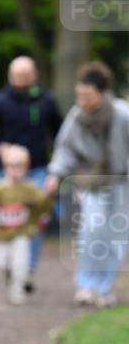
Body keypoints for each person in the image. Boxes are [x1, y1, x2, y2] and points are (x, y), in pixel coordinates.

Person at [45, 61, 129, 308]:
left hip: (121, 183)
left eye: (88, 96)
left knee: (115, 236)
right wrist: (55, 173)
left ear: (102, 93)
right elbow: (65, 149)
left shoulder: (122, 114)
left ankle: (104, 287)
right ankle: (86, 285)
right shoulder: (76, 117)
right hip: (91, 184)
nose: (82, 100)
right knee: (91, 232)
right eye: (79, 95)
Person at [0, 56, 63, 289]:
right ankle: (8, 262)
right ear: (10, 76)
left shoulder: (46, 101)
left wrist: (58, 164)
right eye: (17, 76)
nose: (21, 81)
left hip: (37, 170)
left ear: (33, 75)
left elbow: (59, 132)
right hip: (4, 171)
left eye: (25, 76)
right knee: (7, 217)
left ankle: (27, 268)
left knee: (33, 220)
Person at [0, 145, 54, 305]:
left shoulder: (29, 188)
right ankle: (10, 273)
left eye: (20, 167)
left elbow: (43, 204)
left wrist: (46, 195)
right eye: (11, 166)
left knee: (21, 263)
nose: (15, 171)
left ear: (26, 168)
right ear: (5, 167)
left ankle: (18, 290)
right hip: (0, 234)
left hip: (21, 233)